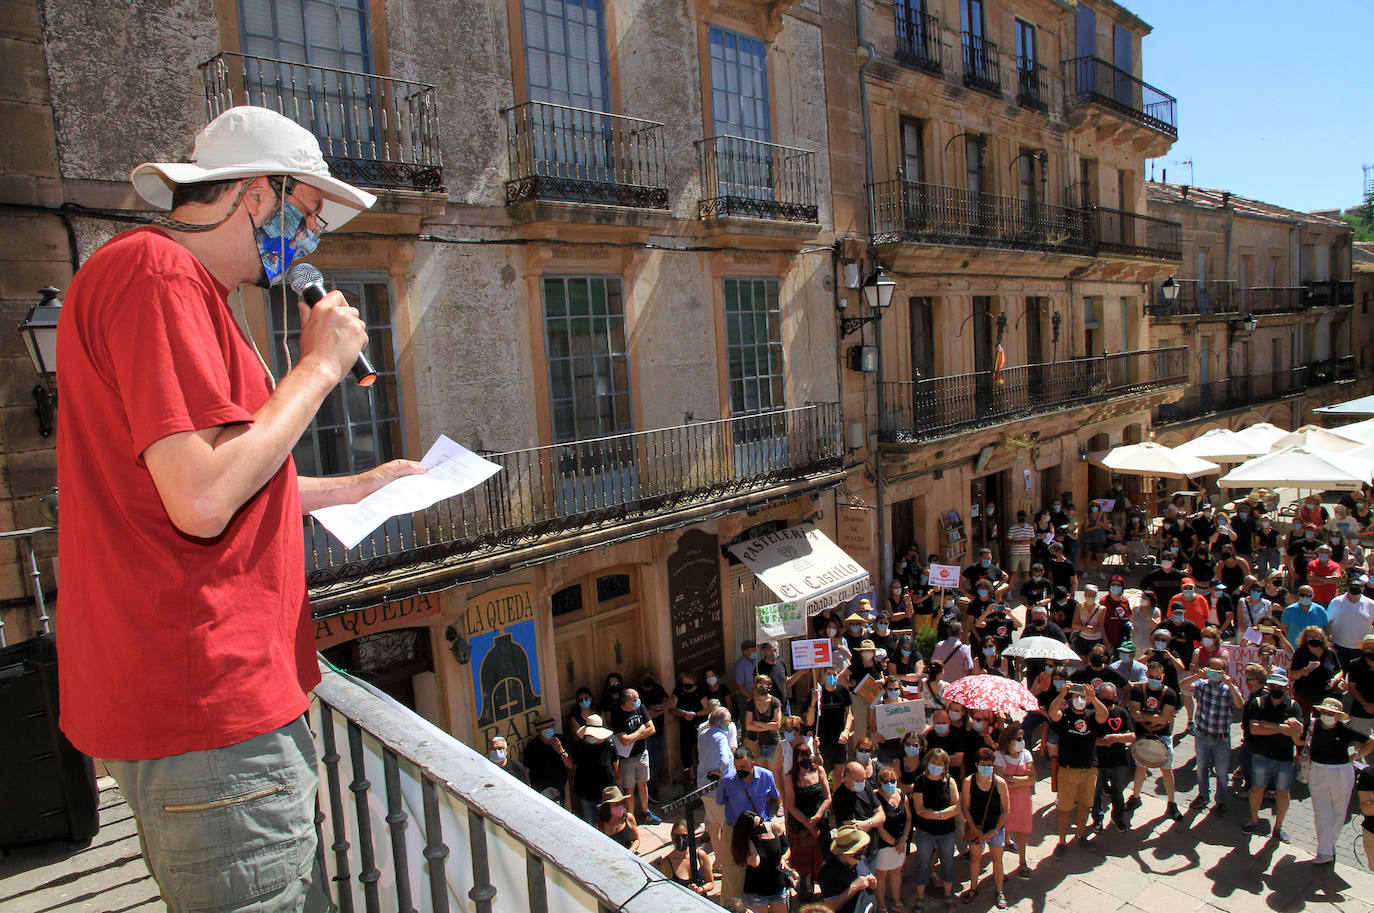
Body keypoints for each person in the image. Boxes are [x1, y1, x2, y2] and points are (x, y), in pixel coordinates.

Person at [56, 106, 428, 911]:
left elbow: (210, 478)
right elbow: (201, 499)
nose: (313, 239)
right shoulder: (156, 278)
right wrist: (320, 369)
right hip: (209, 703)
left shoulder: (170, 285)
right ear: (259, 194)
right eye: (307, 215)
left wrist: (357, 488)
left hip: (198, 697)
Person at [1307, 697, 1374, 864]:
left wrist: (1357, 756)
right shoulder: (1312, 725)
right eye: (1325, 712)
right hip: (1317, 770)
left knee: (1338, 811)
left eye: (1331, 713)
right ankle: (1324, 851)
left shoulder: (1345, 730)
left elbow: (1370, 742)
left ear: (1338, 716)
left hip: (1341, 773)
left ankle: (1329, 845)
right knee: (1322, 812)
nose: (1327, 715)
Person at [1242, 669, 1305, 841]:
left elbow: (1298, 732)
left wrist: (1269, 725)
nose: (1276, 689)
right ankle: (1253, 820)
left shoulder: (1293, 706)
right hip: (1261, 755)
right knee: (1257, 789)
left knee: (1283, 792)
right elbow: (1254, 729)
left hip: (1284, 758)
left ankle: (1279, 826)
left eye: (1280, 686)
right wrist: (1283, 728)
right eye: (1273, 686)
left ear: (1286, 688)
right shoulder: (1258, 703)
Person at [1048, 679, 1108, 853]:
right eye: (1077, 697)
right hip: (1067, 770)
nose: (1080, 700)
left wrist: (1094, 699)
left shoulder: (1091, 715)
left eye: (1083, 697)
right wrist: (1062, 694)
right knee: (1065, 808)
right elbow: (1053, 713)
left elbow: (1103, 716)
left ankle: (1080, 835)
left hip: (1088, 770)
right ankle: (1061, 842)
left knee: (1085, 806)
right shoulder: (1065, 715)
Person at [716, 747, 781, 901]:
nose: (740, 770)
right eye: (737, 766)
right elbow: (721, 801)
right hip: (735, 831)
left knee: (761, 869)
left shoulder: (766, 776)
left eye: (743, 766)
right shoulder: (727, 780)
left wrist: (767, 822)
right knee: (733, 873)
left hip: (759, 831)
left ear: (753, 763)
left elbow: (774, 799)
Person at [1180, 658, 1244, 815]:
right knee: (1202, 768)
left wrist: (1229, 684)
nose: (1214, 673)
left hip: (1221, 738)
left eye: (1218, 671)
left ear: (1224, 672)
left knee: (1222, 772)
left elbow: (1240, 704)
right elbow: (1183, 686)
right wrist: (1197, 676)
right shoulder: (1201, 685)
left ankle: (1221, 800)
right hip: (1202, 735)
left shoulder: (1229, 688)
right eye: (1211, 669)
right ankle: (1203, 795)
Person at [1125, 660, 1181, 822]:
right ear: (1147, 675)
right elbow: (1135, 714)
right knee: (1140, 768)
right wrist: (1154, 718)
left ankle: (1171, 803)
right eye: (1151, 676)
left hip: (1162, 736)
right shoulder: (1138, 690)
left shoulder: (1170, 694)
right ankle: (1135, 797)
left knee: (1166, 769)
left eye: (1157, 676)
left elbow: (1165, 719)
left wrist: (1146, 717)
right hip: (1143, 735)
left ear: (1162, 677)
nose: (1154, 679)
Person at [912, 748, 963, 913]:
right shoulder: (921, 781)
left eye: (940, 763)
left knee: (948, 864)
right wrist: (943, 814)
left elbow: (957, 807)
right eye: (933, 763)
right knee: (924, 864)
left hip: (947, 832)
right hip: (925, 832)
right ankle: (919, 897)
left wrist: (936, 814)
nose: (936, 766)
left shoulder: (950, 782)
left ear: (945, 765)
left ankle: (948, 894)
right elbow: (919, 810)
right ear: (928, 763)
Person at [960, 748, 1010, 909]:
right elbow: (966, 808)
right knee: (975, 859)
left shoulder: (1000, 783)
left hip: (995, 828)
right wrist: (975, 830)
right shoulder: (969, 782)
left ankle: (1000, 891)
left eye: (989, 764)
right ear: (976, 764)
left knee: (997, 859)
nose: (986, 767)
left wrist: (994, 830)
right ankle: (973, 888)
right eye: (983, 764)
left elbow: (1005, 809)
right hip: (977, 829)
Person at [783, 744, 831, 904]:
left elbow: (827, 797)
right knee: (804, 865)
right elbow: (789, 805)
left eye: (807, 755)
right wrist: (807, 822)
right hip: (802, 828)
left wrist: (817, 816)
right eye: (801, 756)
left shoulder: (819, 771)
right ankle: (805, 895)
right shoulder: (790, 777)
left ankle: (828, 893)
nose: (805, 759)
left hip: (820, 824)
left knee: (823, 860)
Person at [611, 687, 660, 824]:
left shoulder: (641, 708)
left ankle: (646, 812)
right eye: (635, 699)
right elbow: (624, 740)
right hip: (627, 759)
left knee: (643, 784)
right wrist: (640, 731)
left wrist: (633, 737)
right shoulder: (618, 714)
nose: (638, 701)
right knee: (629, 788)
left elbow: (652, 729)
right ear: (626, 702)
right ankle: (631, 818)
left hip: (642, 753)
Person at [1091, 682, 1135, 832]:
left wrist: (1115, 738)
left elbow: (1132, 736)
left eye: (1110, 697)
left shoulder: (1122, 713)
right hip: (1099, 760)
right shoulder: (1093, 714)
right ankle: (1097, 818)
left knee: (1118, 791)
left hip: (1119, 760)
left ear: (1115, 696)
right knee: (1096, 792)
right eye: (1103, 697)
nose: (1107, 700)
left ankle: (1118, 817)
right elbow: (1089, 737)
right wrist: (1102, 742)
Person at [993, 725, 1034, 877]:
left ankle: (1022, 862)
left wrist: (1012, 780)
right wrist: (1022, 781)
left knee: (1022, 833)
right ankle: (1000, 869)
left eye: (1022, 738)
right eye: (1018, 739)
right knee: (1002, 836)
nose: (1021, 741)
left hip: (1023, 801)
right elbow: (999, 780)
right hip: (1006, 802)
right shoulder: (999, 755)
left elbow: (1033, 779)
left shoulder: (1026, 754)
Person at [697, 706, 735, 864]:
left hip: (703, 786)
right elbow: (725, 760)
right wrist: (725, 776)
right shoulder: (720, 737)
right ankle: (728, 861)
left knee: (713, 826)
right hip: (717, 789)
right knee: (727, 827)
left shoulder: (703, 734)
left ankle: (718, 861)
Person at [736, 809, 793, 913]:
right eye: (758, 827)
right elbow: (755, 861)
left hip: (777, 886)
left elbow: (787, 848)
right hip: (756, 891)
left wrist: (783, 859)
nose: (763, 826)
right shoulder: (745, 844)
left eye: (761, 821)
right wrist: (748, 838)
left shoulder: (774, 828)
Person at [872, 765, 911, 911]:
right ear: (880, 782)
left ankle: (897, 902)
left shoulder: (901, 794)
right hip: (884, 844)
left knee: (896, 871)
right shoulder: (876, 798)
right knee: (881, 875)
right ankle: (882, 906)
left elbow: (908, 818)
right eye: (886, 781)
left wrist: (903, 839)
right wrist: (894, 843)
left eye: (893, 780)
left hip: (900, 841)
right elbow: (880, 827)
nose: (890, 784)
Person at [817, 825, 878, 913]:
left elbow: (868, 876)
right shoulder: (827, 871)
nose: (864, 851)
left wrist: (873, 883)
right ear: (848, 853)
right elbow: (830, 906)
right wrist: (854, 887)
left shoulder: (859, 860)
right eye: (860, 849)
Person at [1289, 626, 1342, 720]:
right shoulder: (1300, 653)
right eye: (1310, 636)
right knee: (1303, 721)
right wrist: (1303, 671)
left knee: (1322, 722)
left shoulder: (1329, 652)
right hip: (1304, 695)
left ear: (1322, 637)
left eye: (1317, 636)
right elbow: (1292, 674)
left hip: (1325, 696)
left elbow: (1339, 671)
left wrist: (1336, 679)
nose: (1314, 639)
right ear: (1305, 638)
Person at [571, 715, 617, 824]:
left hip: (605, 791)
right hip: (585, 790)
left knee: (605, 820)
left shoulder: (609, 744)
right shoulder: (579, 745)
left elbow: (615, 765)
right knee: (589, 821)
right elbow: (575, 765)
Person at [813, 665, 855, 776]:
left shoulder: (843, 691)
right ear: (823, 675)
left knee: (838, 773)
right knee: (823, 773)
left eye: (834, 674)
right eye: (829, 674)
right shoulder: (818, 693)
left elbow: (849, 713)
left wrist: (846, 730)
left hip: (839, 738)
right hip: (823, 739)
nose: (832, 677)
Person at [522, 718, 572, 803]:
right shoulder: (533, 746)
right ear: (539, 731)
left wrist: (560, 750)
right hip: (541, 792)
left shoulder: (559, 740)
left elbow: (570, 765)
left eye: (551, 727)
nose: (549, 730)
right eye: (545, 728)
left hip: (559, 790)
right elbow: (527, 770)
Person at [657, 819, 715, 895]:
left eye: (684, 836)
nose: (680, 840)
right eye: (677, 836)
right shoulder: (666, 864)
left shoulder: (700, 856)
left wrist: (700, 889)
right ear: (672, 836)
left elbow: (710, 882)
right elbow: (664, 892)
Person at [1327, 575, 1374, 668]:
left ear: (1363, 589)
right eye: (1353, 586)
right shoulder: (1336, 602)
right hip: (1340, 647)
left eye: (1358, 587)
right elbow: (1329, 622)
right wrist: (1329, 641)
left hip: (1363, 649)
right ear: (1347, 587)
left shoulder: (1371, 604)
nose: (1355, 588)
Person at [673, 672, 705, 784]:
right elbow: (673, 708)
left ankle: (701, 775)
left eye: (688, 682)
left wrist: (695, 714)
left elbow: (707, 708)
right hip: (684, 727)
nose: (685, 684)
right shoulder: (678, 691)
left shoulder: (700, 691)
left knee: (699, 751)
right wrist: (684, 714)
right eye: (684, 682)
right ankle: (691, 776)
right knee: (685, 751)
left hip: (698, 726)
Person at [744, 674, 784, 763]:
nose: (761, 687)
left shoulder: (775, 702)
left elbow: (777, 725)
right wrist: (768, 725)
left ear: (769, 687)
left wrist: (757, 723)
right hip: (756, 744)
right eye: (759, 685)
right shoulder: (750, 703)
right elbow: (748, 726)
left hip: (773, 743)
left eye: (764, 685)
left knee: (774, 773)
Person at [595, 785, 639, 851]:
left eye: (621, 803)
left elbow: (636, 840)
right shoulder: (599, 826)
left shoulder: (629, 818)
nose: (620, 807)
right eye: (616, 804)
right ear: (607, 807)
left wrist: (632, 849)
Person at [1349, 634, 1374, 736]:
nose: (1372, 651)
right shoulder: (1355, 664)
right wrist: (1365, 705)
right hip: (1360, 709)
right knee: (1360, 743)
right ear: (1363, 649)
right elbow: (1352, 687)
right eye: (1368, 648)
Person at [1007, 511, 1036, 588]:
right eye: (1020, 517)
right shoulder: (1013, 528)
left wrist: (1027, 542)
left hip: (1026, 553)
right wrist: (1018, 542)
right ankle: (1009, 591)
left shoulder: (1030, 528)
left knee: (1026, 573)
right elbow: (1009, 542)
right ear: (1017, 518)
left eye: (1023, 517)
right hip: (1015, 553)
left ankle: (1028, 590)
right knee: (1013, 572)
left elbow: (1033, 541)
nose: (1022, 518)